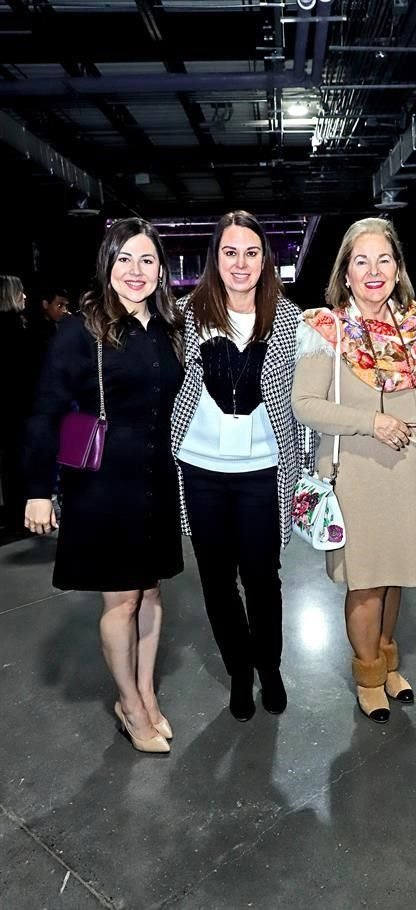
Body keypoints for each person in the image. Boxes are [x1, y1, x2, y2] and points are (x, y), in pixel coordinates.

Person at [23, 218, 184, 754]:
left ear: (161, 268)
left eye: (146, 260)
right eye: (123, 259)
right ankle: (131, 706)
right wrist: (37, 488)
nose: (134, 272)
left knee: (152, 592)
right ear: (107, 264)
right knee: (121, 600)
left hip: (156, 477)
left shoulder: (167, 326)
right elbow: (47, 409)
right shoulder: (81, 328)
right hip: (104, 483)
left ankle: (144, 691)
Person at [291, 217, 416, 724]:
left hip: (406, 471)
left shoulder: (413, 325)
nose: (374, 270)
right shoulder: (323, 329)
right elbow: (304, 405)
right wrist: (370, 421)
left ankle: (388, 660)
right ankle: (368, 675)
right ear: (346, 273)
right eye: (362, 261)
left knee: (395, 577)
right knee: (367, 582)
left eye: (384, 259)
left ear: (398, 268)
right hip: (356, 472)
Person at [171, 210, 302, 722]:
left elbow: (299, 402)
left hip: (261, 472)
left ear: (265, 259)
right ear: (215, 259)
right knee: (216, 581)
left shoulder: (288, 318)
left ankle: (268, 666)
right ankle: (239, 672)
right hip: (199, 470)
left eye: (251, 252)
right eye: (230, 252)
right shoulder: (186, 313)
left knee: (263, 579)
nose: (241, 263)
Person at [0, 275, 30, 534]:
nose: (25, 296)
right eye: (21, 292)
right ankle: (18, 517)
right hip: (18, 406)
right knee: (19, 462)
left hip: (8, 405)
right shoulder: (16, 329)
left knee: (9, 463)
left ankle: (12, 514)